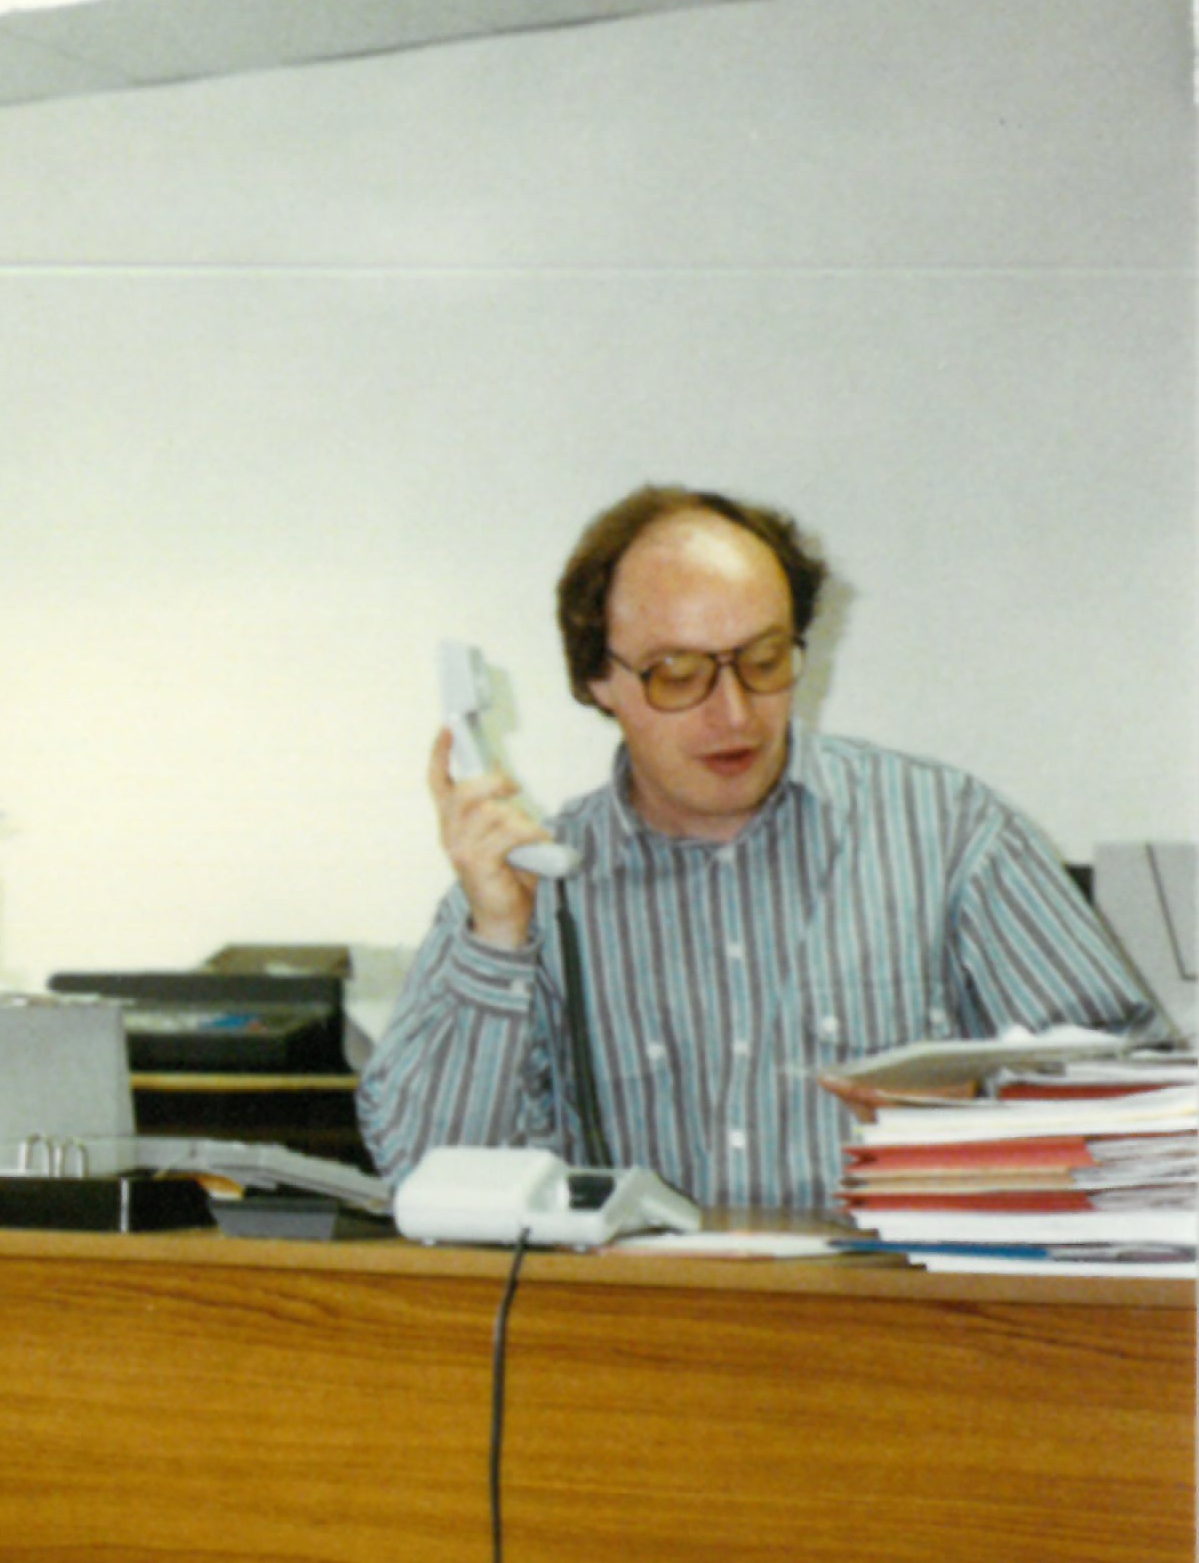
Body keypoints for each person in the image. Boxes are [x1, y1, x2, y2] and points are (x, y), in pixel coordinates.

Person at [357, 486, 1170, 1214]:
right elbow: (420, 1174)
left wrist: (984, 1122)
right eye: (679, 674)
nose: (736, 714)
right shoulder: (535, 882)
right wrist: (497, 937)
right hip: (637, 1346)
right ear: (598, 680)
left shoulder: (948, 829)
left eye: (765, 659)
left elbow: (1147, 1115)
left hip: (908, 1332)